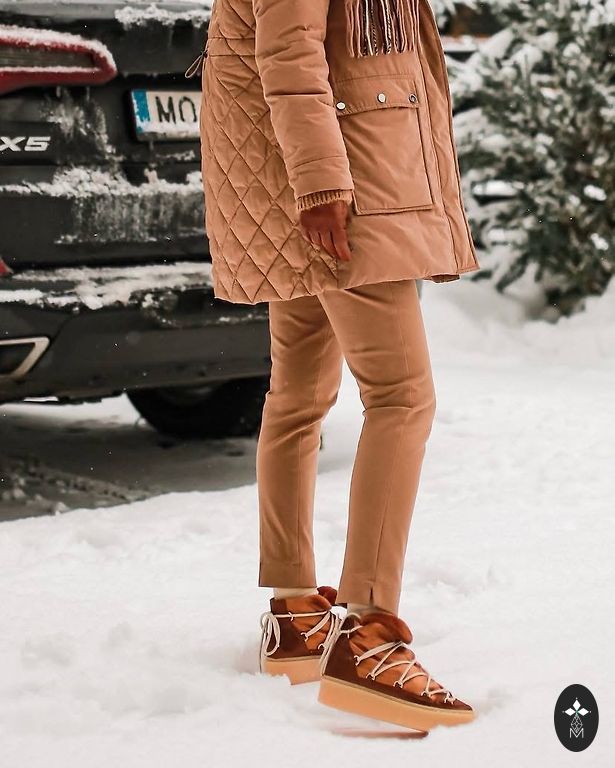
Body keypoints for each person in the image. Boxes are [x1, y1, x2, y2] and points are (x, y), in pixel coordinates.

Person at [196, 0, 479, 732]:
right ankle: (369, 634)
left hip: (303, 179)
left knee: (297, 396)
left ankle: (295, 613)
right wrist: (322, 185)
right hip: (340, 190)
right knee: (402, 398)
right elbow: (289, 54)